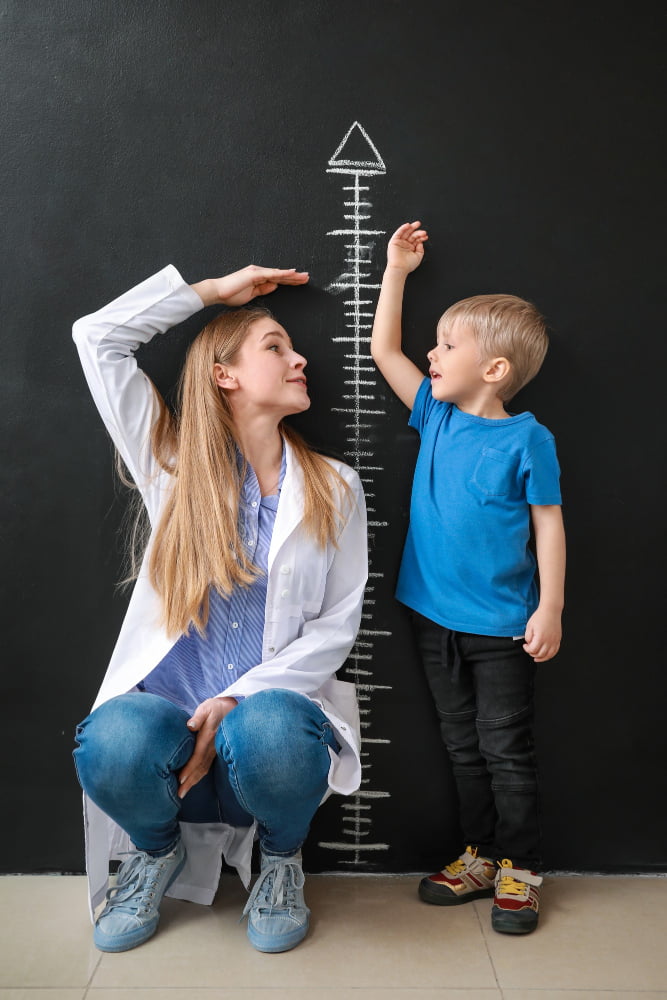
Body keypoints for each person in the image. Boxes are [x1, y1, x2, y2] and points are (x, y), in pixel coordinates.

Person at [72, 262, 368, 954]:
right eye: (274, 346)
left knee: (267, 725)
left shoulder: (335, 486)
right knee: (109, 738)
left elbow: (337, 623)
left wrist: (237, 698)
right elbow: (97, 338)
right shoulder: (170, 466)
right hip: (166, 757)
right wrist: (209, 293)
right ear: (223, 374)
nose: (300, 359)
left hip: (264, 751)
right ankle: (154, 852)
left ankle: (282, 860)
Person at [370, 222, 565, 935]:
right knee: (459, 746)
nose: (432, 352)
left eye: (448, 345)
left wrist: (550, 607)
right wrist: (397, 270)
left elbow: (547, 522)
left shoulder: (526, 438)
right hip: (433, 621)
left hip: (504, 628)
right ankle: (478, 855)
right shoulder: (435, 414)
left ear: (494, 371)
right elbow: (383, 350)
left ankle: (520, 866)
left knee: (505, 751)